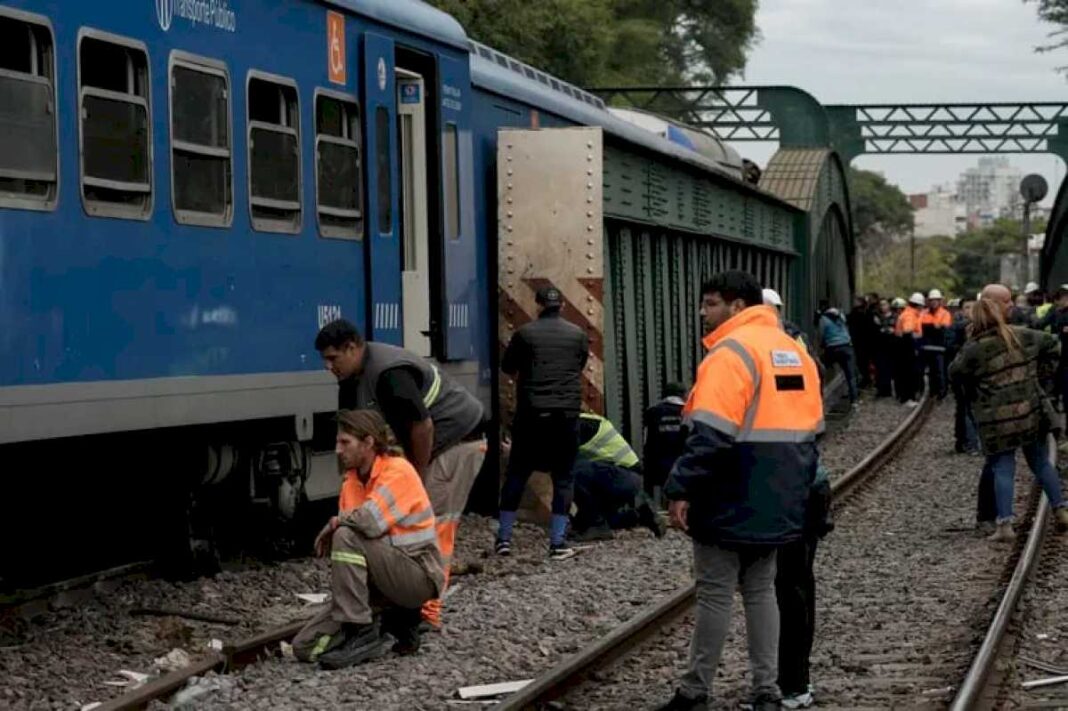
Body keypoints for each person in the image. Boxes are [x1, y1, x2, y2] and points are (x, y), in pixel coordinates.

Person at [657, 270, 823, 711]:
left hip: (728, 490)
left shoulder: (730, 353)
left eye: (710, 303)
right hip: (781, 496)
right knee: (761, 589)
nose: (703, 312)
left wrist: (679, 487)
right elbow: (812, 433)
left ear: (736, 306)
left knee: (714, 591)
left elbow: (710, 434)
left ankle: (695, 690)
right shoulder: (793, 351)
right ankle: (767, 690)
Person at [314, 320, 486, 629]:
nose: (328, 367)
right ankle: (397, 601)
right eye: (324, 360)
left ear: (352, 348)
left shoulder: (389, 374)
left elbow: (423, 427)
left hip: (458, 440)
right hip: (432, 444)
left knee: (434, 522)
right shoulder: (351, 378)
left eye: (333, 358)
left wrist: (414, 477)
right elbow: (352, 432)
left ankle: (428, 614)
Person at [293, 410, 445, 669]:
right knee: (303, 647)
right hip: (380, 584)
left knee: (345, 534)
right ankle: (390, 624)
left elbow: (369, 522)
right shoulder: (350, 482)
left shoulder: (398, 471)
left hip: (417, 578)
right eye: (337, 442)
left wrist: (336, 523)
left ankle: (362, 632)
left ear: (368, 443)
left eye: (345, 443)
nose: (337, 450)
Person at [948, 284, 1068, 541]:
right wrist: (1042, 375)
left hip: (997, 421)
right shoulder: (1022, 335)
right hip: (1030, 414)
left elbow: (955, 373)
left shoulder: (974, 348)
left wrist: (977, 389)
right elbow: (1054, 345)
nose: (1012, 305)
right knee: (1040, 463)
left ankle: (1004, 524)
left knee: (1003, 467)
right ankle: (1061, 510)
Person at [496, 286, 590, 560]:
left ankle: (503, 539)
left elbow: (507, 367)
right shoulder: (578, 335)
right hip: (565, 415)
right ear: (561, 306)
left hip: (532, 415)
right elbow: (579, 364)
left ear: (537, 306)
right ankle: (558, 542)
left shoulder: (525, 334)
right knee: (563, 477)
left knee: (517, 473)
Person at [570, 413, 664, 540]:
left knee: (573, 471)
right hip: (622, 478)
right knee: (580, 524)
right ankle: (639, 515)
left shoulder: (576, 426)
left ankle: (597, 525)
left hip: (622, 477)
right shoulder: (583, 420)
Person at [642, 383, 688, 504]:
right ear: (683, 395)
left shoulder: (652, 412)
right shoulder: (688, 411)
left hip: (658, 465)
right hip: (682, 464)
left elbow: (647, 441)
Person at [946, 298, 979, 455]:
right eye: (967, 307)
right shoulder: (956, 327)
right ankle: (967, 442)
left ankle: (965, 441)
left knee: (968, 408)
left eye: (973, 307)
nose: (970, 310)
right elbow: (950, 347)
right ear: (961, 310)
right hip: (962, 373)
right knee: (965, 407)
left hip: (976, 373)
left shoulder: (981, 326)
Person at [817, 302, 858, 407]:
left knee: (819, 370)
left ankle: (819, 397)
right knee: (851, 375)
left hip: (832, 348)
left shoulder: (823, 319)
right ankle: (854, 401)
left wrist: (821, 346)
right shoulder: (841, 315)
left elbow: (821, 335)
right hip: (846, 346)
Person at [920, 289, 952, 399]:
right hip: (927, 348)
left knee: (940, 371)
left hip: (940, 348)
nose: (933, 302)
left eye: (936, 300)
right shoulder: (924, 313)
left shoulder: (945, 313)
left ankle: (942, 392)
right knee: (931, 372)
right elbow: (921, 326)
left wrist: (931, 327)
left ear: (939, 301)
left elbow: (944, 328)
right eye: (931, 300)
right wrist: (934, 327)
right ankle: (933, 391)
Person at [894, 293, 925, 406]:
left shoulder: (907, 313)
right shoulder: (910, 315)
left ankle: (903, 396)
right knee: (909, 373)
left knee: (903, 373)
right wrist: (915, 347)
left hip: (902, 347)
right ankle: (907, 398)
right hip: (907, 348)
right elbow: (908, 332)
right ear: (919, 306)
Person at [847, 296, 874, 388]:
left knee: (863, 362)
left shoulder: (866, 313)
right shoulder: (857, 313)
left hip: (864, 341)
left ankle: (866, 379)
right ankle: (866, 379)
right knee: (861, 362)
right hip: (859, 340)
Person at [873, 298, 897, 398]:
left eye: (885, 305)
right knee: (881, 368)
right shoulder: (877, 317)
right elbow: (875, 330)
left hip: (892, 346)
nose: (883, 307)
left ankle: (892, 389)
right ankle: (883, 390)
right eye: (881, 305)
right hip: (880, 346)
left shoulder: (895, 316)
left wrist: (892, 330)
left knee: (892, 368)